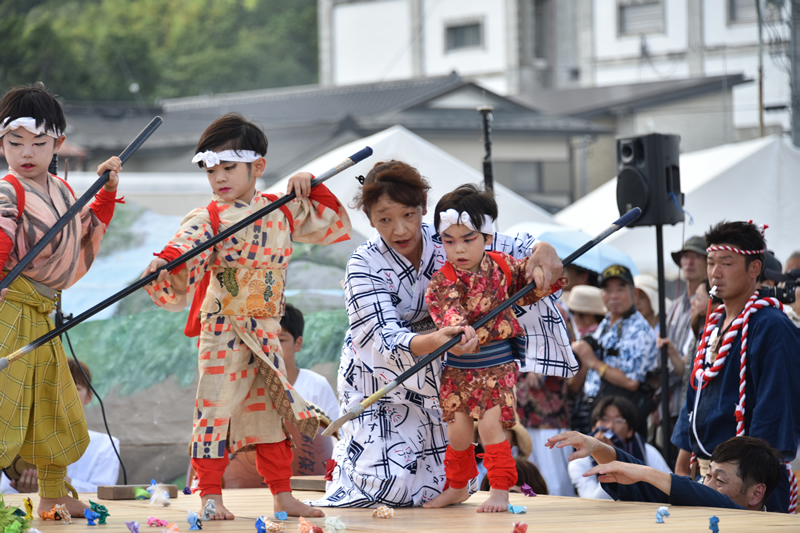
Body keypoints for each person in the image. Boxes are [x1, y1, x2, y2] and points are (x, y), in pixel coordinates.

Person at [312, 161, 575, 509]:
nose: (400, 229)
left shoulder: (449, 232)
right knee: (385, 485)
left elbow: (515, 246)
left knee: (437, 484)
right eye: (385, 218)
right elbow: (379, 336)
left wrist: (543, 249)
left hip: (452, 368)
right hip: (382, 374)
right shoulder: (365, 263)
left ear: (423, 206)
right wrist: (437, 340)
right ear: (369, 218)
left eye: (408, 214)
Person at [142, 113, 351, 520]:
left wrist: (310, 182)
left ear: (258, 167)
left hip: (267, 330)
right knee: (214, 410)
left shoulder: (283, 210)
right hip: (224, 330)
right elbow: (184, 244)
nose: (219, 177)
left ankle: (282, 494)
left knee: (270, 414)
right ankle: (210, 495)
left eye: (229, 167)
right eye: (211, 169)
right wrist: (164, 261)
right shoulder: (210, 217)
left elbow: (332, 223)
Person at [0, 84, 124, 517]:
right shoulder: (7, 190)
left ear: (58, 143)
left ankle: (53, 493)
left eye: (39, 143)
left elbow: (85, 232)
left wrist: (105, 190)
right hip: (9, 309)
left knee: (54, 403)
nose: (26, 152)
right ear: (2, 143)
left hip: (45, 312)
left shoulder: (65, 192)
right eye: (15, 143)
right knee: (3, 405)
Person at [421, 184, 567, 512]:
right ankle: (458, 487)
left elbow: (530, 289)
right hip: (459, 367)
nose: (458, 248)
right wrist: (460, 330)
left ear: (487, 238)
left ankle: (500, 488)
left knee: (490, 426)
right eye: (449, 240)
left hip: (498, 365)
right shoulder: (442, 280)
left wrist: (542, 277)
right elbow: (449, 311)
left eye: (468, 239)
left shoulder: (504, 266)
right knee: (458, 435)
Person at [671, 221, 800, 513]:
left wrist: (746, 482)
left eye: (726, 263)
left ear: (754, 268)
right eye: (711, 262)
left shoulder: (772, 326)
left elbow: (775, 414)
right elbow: (693, 403)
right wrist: (682, 465)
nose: (715, 273)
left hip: (749, 482)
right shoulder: (712, 324)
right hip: (707, 475)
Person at [549, 431, 784, 512]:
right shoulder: (694, 496)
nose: (707, 485)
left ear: (756, 494)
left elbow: (713, 501)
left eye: (720, 480)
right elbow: (652, 488)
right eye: (708, 475)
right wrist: (598, 448)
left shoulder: (770, 525)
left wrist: (648, 473)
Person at [1, 359, 121, 495]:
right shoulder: (22, 442)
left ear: (89, 397)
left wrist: (55, 481)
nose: (64, 396)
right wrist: (25, 492)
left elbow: (104, 494)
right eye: (56, 389)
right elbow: (5, 494)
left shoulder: (106, 445)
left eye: (75, 389)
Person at [570, 265, 658, 436]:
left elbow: (632, 382)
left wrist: (593, 362)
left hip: (617, 421)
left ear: (634, 294)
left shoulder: (638, 330)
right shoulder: (607, 321)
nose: (614, 296)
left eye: (620, 289)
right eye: (608, 290)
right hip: (593, 408)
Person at [568, 396, 669, 500]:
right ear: (594, 427)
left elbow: (668, 487)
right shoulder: (579, 462)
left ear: (630, 431)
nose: (610, 426)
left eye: (618, 420)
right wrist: (605, 456)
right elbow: (594, 502)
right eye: (604, 419)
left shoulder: (646, 452)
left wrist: (617, 455)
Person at [279, 303, 340, 420]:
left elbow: (335, 433)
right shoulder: (253, 388)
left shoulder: (317, 386)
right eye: (268, 339)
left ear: (298, 344)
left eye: (281, 340)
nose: (274, 346)